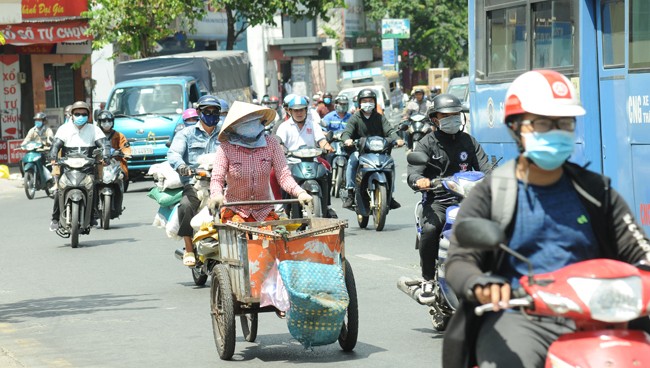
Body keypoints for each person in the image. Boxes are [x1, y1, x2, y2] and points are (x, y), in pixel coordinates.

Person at [443, 70, 650, 368]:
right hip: (523, 317)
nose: (556, 131)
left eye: (564, 123)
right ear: (515, 128)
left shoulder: (596, 191)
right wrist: (481, 284)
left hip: (602, 316)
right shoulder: (492, 192)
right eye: (543, 123)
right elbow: (460, 260)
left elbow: (639, 250)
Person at [406, 93, 491, 299]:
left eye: (455, 114)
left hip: (469, 200)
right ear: (434, 118)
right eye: (446, 115)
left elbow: (486, 168)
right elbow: (414, 172)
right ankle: (427, 278)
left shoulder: (469, 141)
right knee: (430, 229)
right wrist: (420, 180)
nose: (452, 119)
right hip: (438, 201)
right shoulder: (426, 143)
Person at [208, 101, 312, 224]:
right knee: (238, 238)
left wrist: (300, 192)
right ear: (236, 126)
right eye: (246, 122)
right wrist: (216, 195)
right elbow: (217, 178)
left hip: (264, 210)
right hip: (235, 209)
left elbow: (284, 176)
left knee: (272, 240)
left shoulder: (271, 144)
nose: (251, 126)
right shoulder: (226, 147)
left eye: (254, 121)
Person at [167, 95, 222, 267]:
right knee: (185, 206)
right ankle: (189, 248)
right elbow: (174, 153)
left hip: (222, 183)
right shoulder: (186, 133)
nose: (211, 114)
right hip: (195, 183)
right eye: (207, 111)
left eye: (215, 111)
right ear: (199, 112)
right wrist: (182, 166)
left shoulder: (226, 133)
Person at [48, 101, 109, 231]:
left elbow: (104, 144)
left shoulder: (94, 129)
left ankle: (93, 214)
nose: (80, 116)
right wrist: (53, 156)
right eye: (77, 114)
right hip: (68, 168)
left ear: (88, 115)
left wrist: (106, 155)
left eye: (84, 114)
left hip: (87, 168)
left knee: (93, 185)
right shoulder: (64, 129)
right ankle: (55, 218)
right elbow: (55, 145)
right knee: (59, 190)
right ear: (72, 115)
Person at [341, 88, 404, 209]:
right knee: (352, 161)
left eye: (370, 100)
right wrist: (347, 140)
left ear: (375, 102)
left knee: (390, 164)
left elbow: (390, 131)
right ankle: (350, 192)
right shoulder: (355, 117)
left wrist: (397, 139)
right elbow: (347, 132)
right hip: (360, 151)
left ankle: (390, 195)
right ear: (359, 103)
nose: (367, 103)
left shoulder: (379, 117)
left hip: (379, 151)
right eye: (364, 101)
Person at [274, 95, 336, 217]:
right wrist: (280, 148)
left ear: (306, 110)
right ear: (290, 111)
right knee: (283, 177)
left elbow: (321, 139)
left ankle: (326, 205)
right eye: (296, 110)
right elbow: (279, 140)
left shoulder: (313, 125)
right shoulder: (284, 126)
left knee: (326, 170)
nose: (299, 113)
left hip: (312, 160)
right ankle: (284, 207)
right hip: (291, 161)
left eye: (301, 110)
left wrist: (326, 146)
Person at [96, 110, 132, 182]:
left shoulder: (118, 135)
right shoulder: (95, 134)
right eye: (104, 121)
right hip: (100, 162)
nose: (107, 123)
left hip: (115, 161)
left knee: (121, 174)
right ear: (99, 122)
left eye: (109, 121)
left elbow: (125, 146)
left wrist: (126, 154)